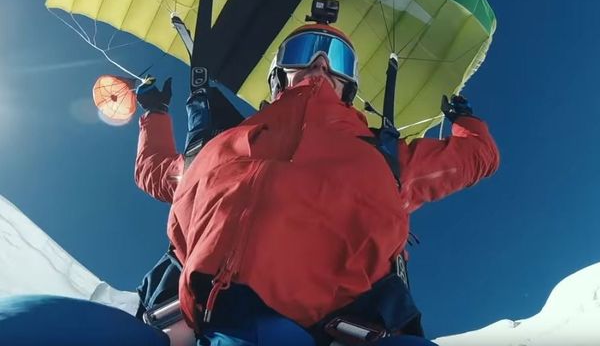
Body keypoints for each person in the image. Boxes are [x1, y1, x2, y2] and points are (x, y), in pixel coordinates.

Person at [134, 22, 500, 346]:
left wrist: (466, 121)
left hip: (338, 329)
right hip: (216, 323)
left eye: (337, 59)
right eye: (303, 51)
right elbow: (155, 171)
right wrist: (153, 113)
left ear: (349, 84)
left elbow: (478, 156)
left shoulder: (387, 157)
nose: (321, 62)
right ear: (279, 73)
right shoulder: (217, 147)